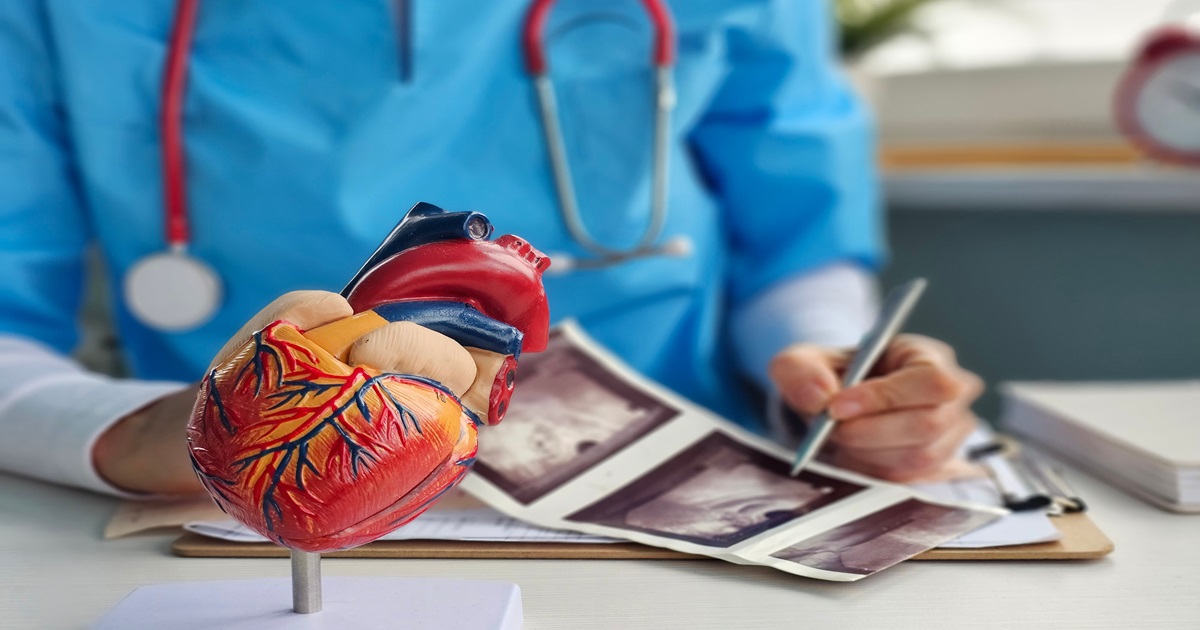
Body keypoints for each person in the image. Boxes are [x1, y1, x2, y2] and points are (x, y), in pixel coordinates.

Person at [0, 0, 981, 498]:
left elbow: (792, 226)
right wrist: (131, 436)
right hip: (240, 509)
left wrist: (827, 368)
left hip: (689, 483)